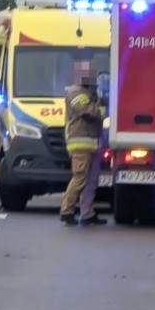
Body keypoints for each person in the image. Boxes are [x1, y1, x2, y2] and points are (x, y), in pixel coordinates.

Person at [59, 64, 106, 225]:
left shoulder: (87, 92)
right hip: (79, 143)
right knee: (79, 177)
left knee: (90, 180)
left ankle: (87, 213)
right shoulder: (76, 92)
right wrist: (101, 107)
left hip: (91, 142)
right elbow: (89, 111)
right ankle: (66, 210)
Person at [77, 71, 111, 220]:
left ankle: (86, 211)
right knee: (85, 179)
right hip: (88, 142)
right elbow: (91, 114)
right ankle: (81, 211)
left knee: (91, 180)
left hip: (96, 142)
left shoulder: (95, 98)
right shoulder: (82, 97)